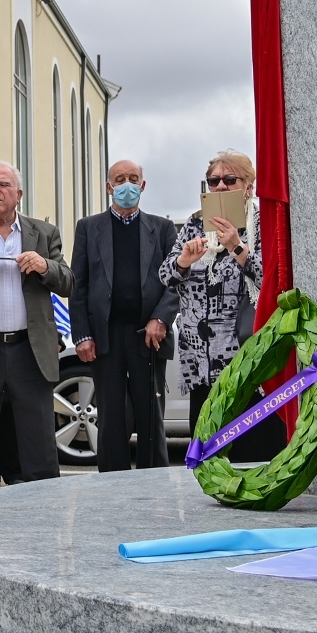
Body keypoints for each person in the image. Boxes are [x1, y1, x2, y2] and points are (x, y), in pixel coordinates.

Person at [161, 151, 281, 459]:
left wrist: (236, 247)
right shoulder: (195, 223)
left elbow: (274, 279)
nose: (220, 187)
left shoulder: (262, 222)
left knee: (251, 454)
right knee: (209, 458)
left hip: (245, 362)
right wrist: (184, 261)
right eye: (214, 181)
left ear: (249, 186)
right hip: (200, 364)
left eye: (230, 180)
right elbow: (164, 275)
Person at [0, 162, 71, 494]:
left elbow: (68, 281)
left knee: (38, 439)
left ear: (19, 194)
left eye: (3, 184)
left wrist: (45, 266)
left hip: (30, 348)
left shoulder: (43, 233)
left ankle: (43, 512)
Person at [70, 160, 178, 472]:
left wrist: (160, 318)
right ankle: (112, 486)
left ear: (143, 186)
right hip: (106, 336)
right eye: (120, 179)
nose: (126, 184)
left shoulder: (162, 229)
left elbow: (175, 281)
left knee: (150, 417)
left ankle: (152, 484)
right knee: (112, 416)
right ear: (109, 187)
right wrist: (83, 334)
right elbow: (79, 284)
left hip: (149, 336)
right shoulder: (89, 228)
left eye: (133, 178)